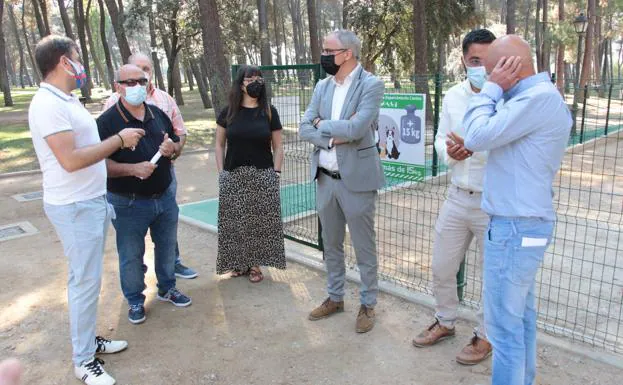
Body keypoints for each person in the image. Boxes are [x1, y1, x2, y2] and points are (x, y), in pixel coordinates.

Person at [29, 35, 142, 385]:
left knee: (89, 280)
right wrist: (119, 140)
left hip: (89, 202)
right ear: (64, 62)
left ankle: (89, 341)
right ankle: (82, 360)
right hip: (74, 206)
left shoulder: (66, 99)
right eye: (77, 57)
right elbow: (71, 159)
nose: (81, 64)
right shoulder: (47, 104)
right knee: (84, 282)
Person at [461, 35, 572, 384]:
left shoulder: (536, 99)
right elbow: (484, 138)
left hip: (514, 229)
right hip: (520, 226)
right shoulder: (532, 98)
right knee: (520, 318)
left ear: (510, 68)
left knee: (503, 330)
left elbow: (477, 137)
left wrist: (491, 91)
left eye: (489, 69)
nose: (483, 75)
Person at [412, 29, 496, 365]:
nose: (482, 67)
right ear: (464, 60)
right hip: (458, 195)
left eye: (488, 60)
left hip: (494, 202)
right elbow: (439, 138)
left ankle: (486, 335)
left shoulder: (505, 96)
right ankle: (445, 321)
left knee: (492, 275)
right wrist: (450, 151)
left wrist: (475, 147)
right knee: (443, 266)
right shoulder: (453, 97)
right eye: (475, 60)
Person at [299, 30, 385, 333]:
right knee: (331, 244)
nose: (323, 54)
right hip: (325, 179)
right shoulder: (322, 86)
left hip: (357, 181)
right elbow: (303, 127)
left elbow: (358, 127)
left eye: (328, 49)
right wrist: (330, 133)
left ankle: (367, 304)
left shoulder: (371, 84)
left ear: (347, 53)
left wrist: (322, 125)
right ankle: (335, 297)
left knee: (364, 247)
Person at [97, 64, 192, 325]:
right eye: (129, 82)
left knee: (167, 247)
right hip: (128, 202)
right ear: (117, 86)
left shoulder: (158, 114)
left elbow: (175, 144)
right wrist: (132, 169)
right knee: (130, 254)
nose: (136, 86)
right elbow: (98, 165)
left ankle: (168, 287)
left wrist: (173, 147)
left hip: (163, 197)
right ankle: (135, 299)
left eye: (141, 80)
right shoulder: (106, 123)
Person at [215, 65, 286, 283]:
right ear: (240, 83)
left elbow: (279, 147)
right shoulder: (228, 112)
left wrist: (275, 173)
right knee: (235, 221)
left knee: (257, 222)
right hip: (234, 175)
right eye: (250, 78)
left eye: (258, 78)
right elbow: (219, 145)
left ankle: (255, 265)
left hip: (262, 174)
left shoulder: (269, 111)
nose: (255, 82)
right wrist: (222, 174)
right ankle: (239, 263)